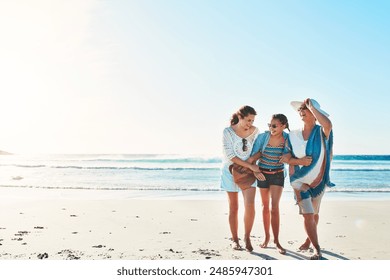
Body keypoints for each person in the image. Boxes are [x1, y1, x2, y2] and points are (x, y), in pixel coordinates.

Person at [281, 98, 333, 260]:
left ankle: (308, 240)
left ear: (315, 115)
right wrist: (299, 162)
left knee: (315, 213)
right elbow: (285, 156)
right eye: (301, 109)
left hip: (318, 180)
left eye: (306, 109)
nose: (302, 111)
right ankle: (317, 249)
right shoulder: (293, 135)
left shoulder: (321, 132)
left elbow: (328, 125)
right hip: (299, 181)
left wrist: (312, 107)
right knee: (308, 214)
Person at [220, 105, 260, 252]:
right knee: (234, 207)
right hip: (230, 171)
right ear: (240, 117)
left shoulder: (255, 131)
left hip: (249, 173)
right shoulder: (228, 132)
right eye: (248, 120)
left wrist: (250, 165)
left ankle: (247, 237)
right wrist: (250, 166)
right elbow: (230, 155)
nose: (250, 123)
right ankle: (235, 240)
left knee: (250, 205)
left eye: (253, 120)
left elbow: (258, 151)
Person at [249, 114, 290, 255]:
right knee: (265, 207)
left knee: (274, 208)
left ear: (283, 126)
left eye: (274, 125)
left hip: (278, 175)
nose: (271, 128)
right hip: (262, 174)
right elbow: (253, 156)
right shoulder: (263, 137)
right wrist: (255, 172)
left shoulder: (287, 139)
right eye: (269, 125)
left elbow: (291, 155)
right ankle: (266, 237)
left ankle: (277, 241)